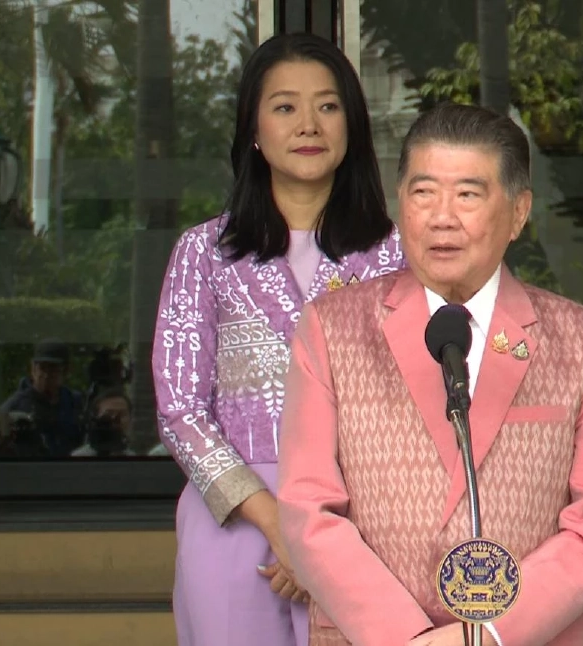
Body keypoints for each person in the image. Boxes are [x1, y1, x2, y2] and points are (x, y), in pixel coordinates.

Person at [277, 103, 583, 646]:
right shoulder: (331, 331)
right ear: (399, 203)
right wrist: (408, 639)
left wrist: (486, 635)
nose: (442, 217)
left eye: (468, 195)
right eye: (423, 193)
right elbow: (309, 511)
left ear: (518, 212)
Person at [152, 32, 407, 646]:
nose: (308, 124)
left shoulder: (397, 256)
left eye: (328, 105)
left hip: (368, 522)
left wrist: (323, 528)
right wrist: (278, 524)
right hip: (237, 521)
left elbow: (414, 405)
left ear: (352, 125)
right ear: (254, 129)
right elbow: (180, 410)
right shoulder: (203, 253)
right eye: (285, 106)